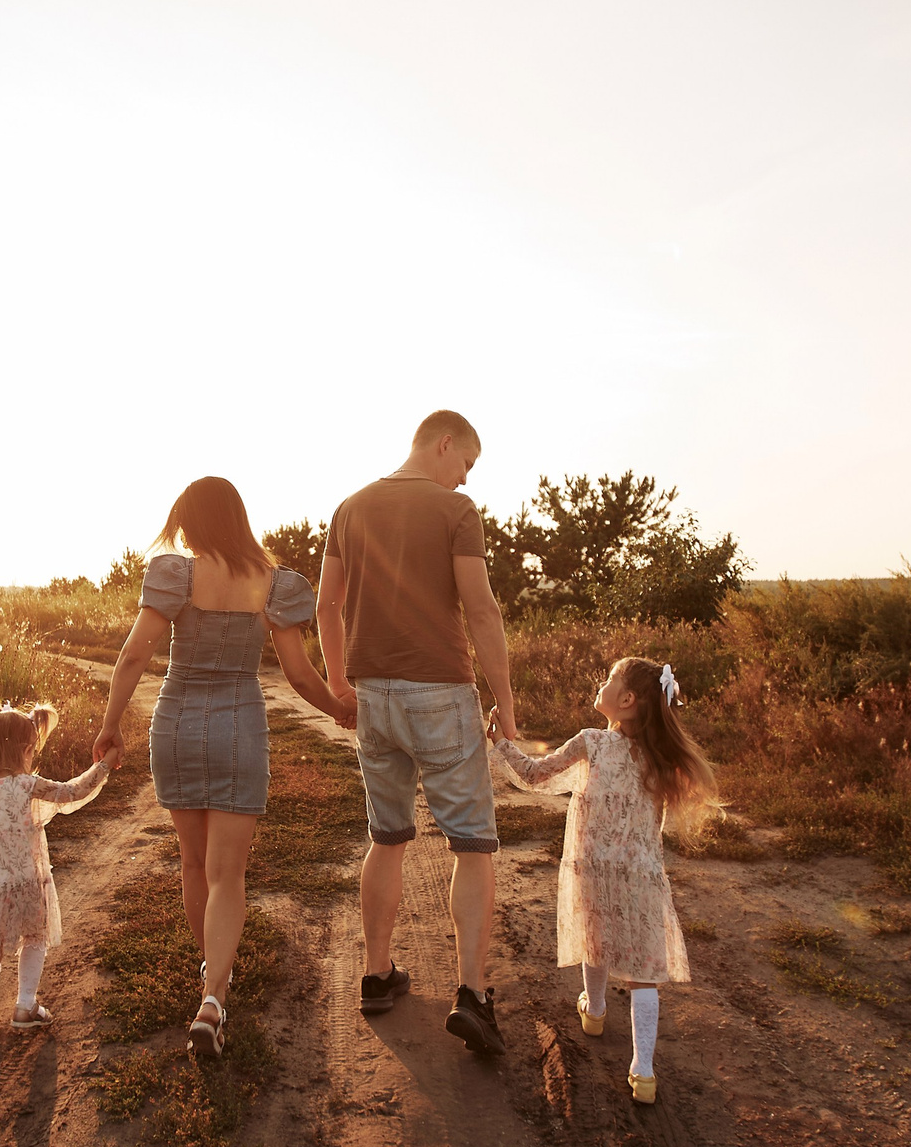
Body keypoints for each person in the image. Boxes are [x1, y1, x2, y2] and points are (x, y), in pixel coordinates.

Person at [94, 477, 350, 1061]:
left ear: (194, 522)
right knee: (227, 875)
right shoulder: (275, 583)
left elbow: (136, 655)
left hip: (178, 722)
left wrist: (110, 723)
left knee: (193, 861)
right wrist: (340, 709)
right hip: (240, 727)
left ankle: (212, 976)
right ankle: (214, 999)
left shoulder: (175, 574)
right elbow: (301, 675)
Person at [317, 409, 519, 1055]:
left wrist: (339, 685)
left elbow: (326, 606)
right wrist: (506, 702)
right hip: (441, 693)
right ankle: (471, 994)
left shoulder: (349, 508)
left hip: (373, 694)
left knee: (388, 833)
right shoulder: (455, 514)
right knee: (474, 843)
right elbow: (481, 609)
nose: (464, 481)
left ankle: (377, 975)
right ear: (444, 444)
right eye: (467, 464)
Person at [489, 657, 720, 1103]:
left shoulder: (592, 742)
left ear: (627, 700)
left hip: (592, 866)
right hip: (641, 875)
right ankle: (644, 1070)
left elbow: (535, 775)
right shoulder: (660, 758)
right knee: (642, 972)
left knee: (595, 934)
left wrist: (501, 744)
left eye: (610, 679)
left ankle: (594, 1011)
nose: (603, 683)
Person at [0, 698, 113, 1051]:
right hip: (26, 882)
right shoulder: (27, 785)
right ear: (24, 749)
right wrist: (104, 766)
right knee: (34, 938)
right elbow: (72, 792)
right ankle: (26, 1005)